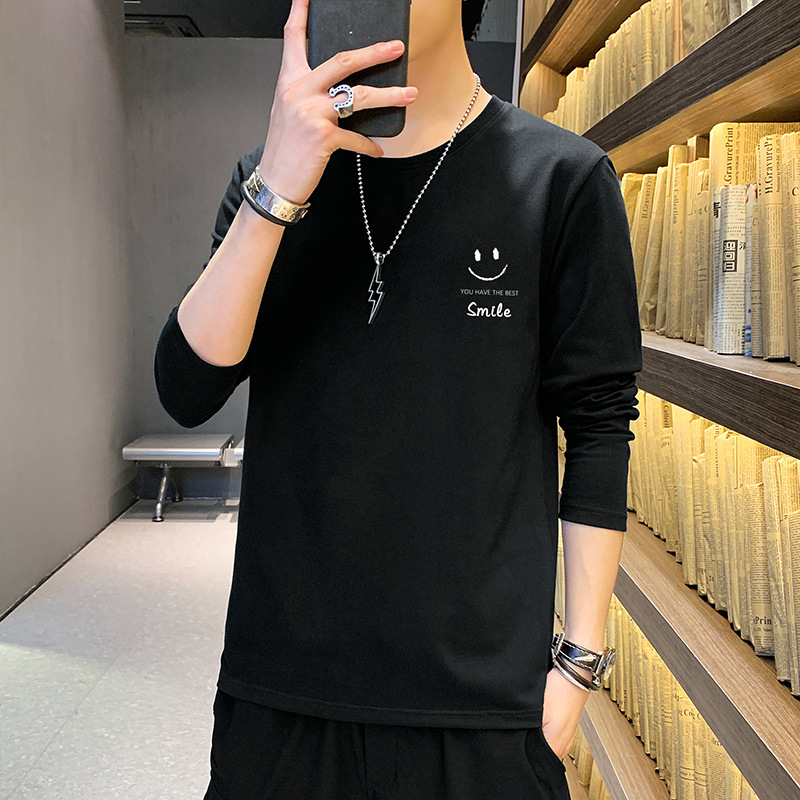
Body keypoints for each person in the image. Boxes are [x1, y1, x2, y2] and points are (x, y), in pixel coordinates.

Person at [154, 0, 643, 797]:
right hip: (283, 696)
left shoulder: (561, 179)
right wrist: (277, 185)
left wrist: (577, 670)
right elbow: (186, 388)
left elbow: (598, 426)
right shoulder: (269, 183)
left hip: (482, 710)